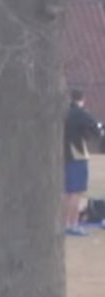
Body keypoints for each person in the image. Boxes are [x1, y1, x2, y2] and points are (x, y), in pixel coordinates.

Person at [64, 89, 103, 237]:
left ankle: (63, 222)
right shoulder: (80, 113)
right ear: (82, 98)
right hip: (78, 155)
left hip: (64, 155)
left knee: (67, 191)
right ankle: (72, 224)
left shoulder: (64, 112)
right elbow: (95, 127)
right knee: (76, 191)